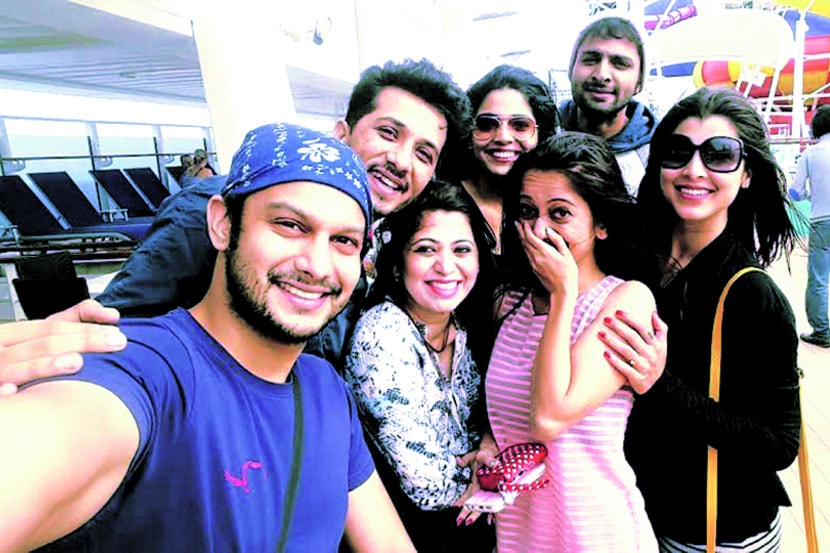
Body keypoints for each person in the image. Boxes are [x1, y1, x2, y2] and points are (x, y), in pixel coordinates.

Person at [0, 123, 415, 552]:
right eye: (290, 225)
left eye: (343, 241)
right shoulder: (145, 370)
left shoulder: (324, 390)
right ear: (222, 224)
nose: (318, 265)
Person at [623, 86, 802, 551]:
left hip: (717, 532)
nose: (694, 170)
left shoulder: (753, 294)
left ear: (747, 174)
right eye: (677, 151)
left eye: (720, 154)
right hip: (631, 516)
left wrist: (660, 386)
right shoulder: (634, 258)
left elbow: (779, 444)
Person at [475, 132, 660, 551]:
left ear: (601, 224)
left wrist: (563, 294)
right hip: (521, 534)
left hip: (599, 534)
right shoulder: (507, 302)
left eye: (559, 213)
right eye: (527, 211)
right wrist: (489, 438)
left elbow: (550, 417)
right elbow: (506, 405)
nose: (539, 229)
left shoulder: (626, 299)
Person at [344, 180, 497, 552]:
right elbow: (426, 486)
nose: (446, 266)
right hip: (410, 537)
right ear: (397, 264)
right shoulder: (382, 333)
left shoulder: (470, 325)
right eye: (426, 249)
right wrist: (494, 481)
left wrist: (490, 444)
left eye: (462, 249)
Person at [450, 64, 560, 258]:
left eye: (520, 125)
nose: (503, 137)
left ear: (541, 133)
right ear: (468, 131)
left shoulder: (557, 207)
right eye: (486, 125)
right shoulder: (439, 202)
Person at [560, 16, 657, 195]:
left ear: (639, 82)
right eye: (590, 60)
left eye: (620, 64)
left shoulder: (658, 157)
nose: (601, 74)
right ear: (572, 69)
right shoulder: (538, 137)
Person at [789, 104, 830, 348]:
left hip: (821, 221)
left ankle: (822, 332)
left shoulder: (810, 154)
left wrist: (809, 195)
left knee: (819, 279)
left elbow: (795, 192)